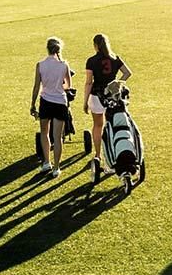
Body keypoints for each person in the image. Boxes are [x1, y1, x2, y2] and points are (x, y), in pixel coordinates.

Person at [83, 33, 132, 173]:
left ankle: (98, 155)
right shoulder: (115, 58)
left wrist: (85, 102)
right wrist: (117, 83)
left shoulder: (91, 61)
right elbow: (127, 73)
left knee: (98, 126)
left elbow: (88, 83)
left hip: (97, 96)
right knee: (112, 125)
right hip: (113, 97)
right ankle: (111, 158)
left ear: (96, 46)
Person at [30, 37, 72, 178]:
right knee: (57, 136)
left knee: (44, 133)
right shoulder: (64, 64)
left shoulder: (40, 65)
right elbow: (68, 86)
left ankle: (46, 162)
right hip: (60, 102)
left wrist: (32, 104)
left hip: (45, 101)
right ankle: (56, 167)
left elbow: (37, 86)